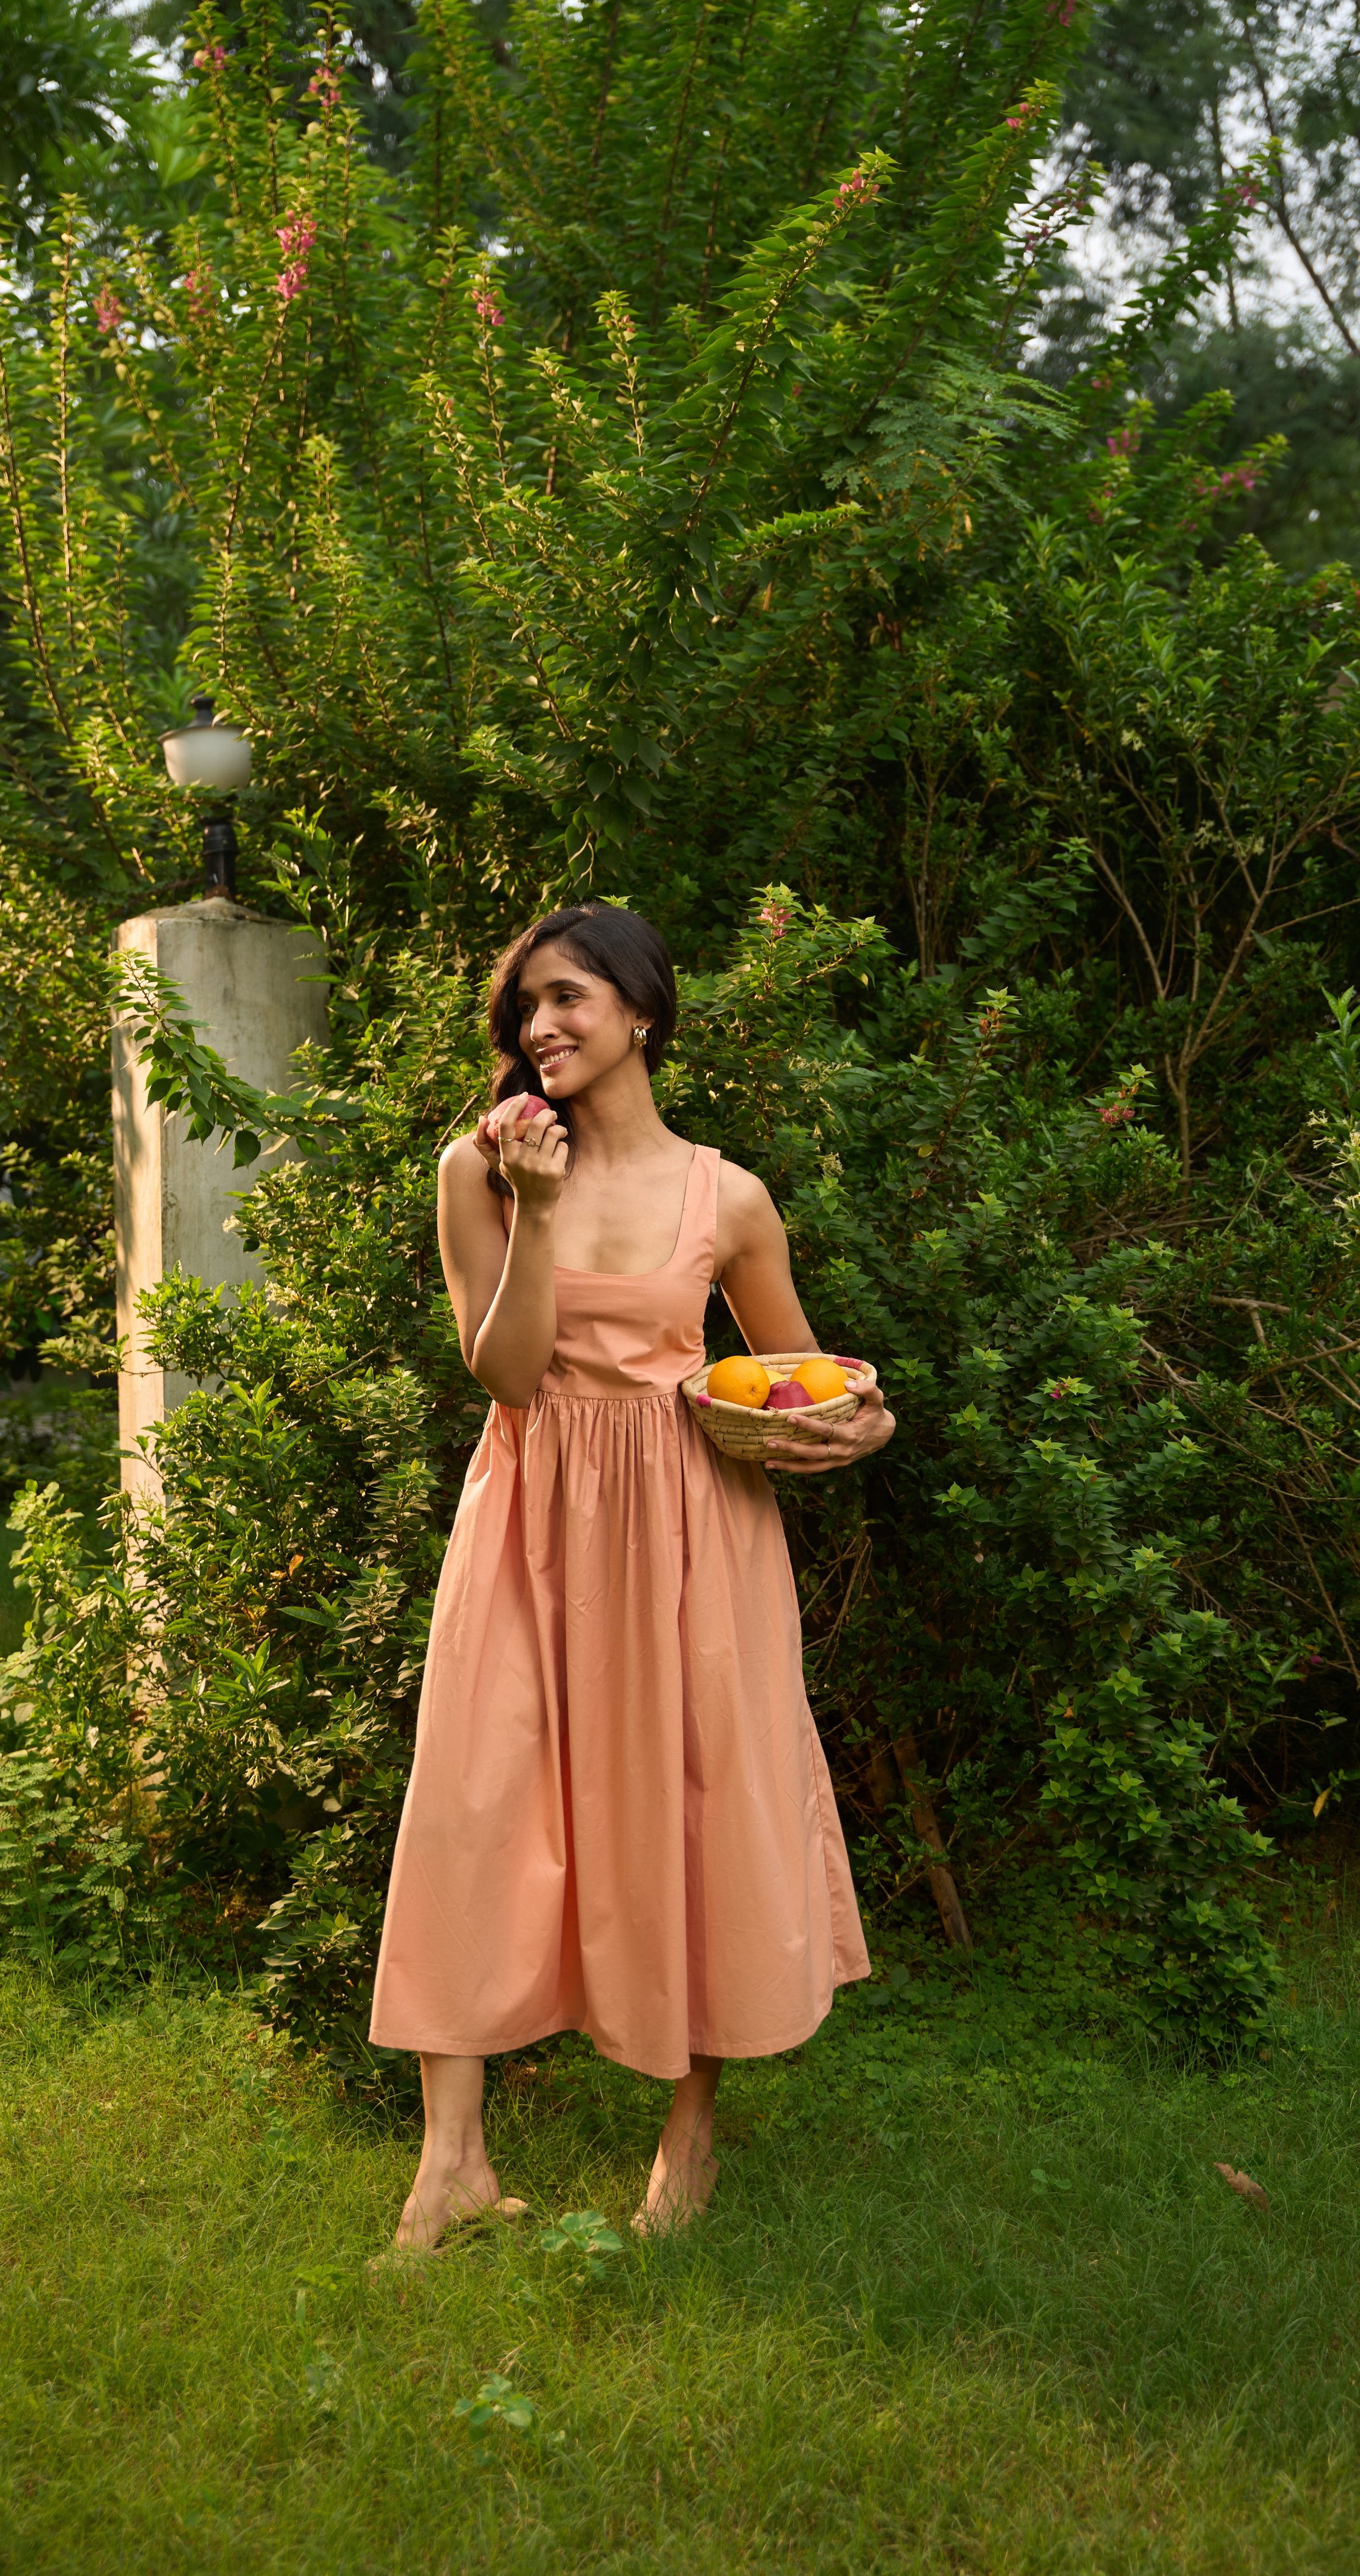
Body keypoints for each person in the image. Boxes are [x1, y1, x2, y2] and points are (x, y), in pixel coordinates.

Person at [369, 902, 892, 2250]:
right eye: (524, 1009)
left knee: (704, 1795)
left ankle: (692, 2124)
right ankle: (452, 2165)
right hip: (532, 1514)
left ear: (641, 1013)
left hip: (690, 1527)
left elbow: (788, 1374)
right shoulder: (476, 1170)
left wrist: (843, 1418)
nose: (539, 1028)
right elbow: (506, 1373)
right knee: (475, 1800)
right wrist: (535, 1210)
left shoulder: (727, 1196)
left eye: (566, 1000)